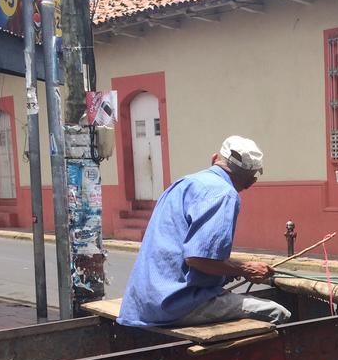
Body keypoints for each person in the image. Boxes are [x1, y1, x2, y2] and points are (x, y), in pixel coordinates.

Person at [116, 135, 291, 328]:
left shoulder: (182, 184)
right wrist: (245, 268)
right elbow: (198, 259)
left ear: (214, 158)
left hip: (141, 303)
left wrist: (229, 270)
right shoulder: (223, 193)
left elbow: (189, 256)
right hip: (174, 304)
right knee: (277, 312)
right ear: (251, 181)